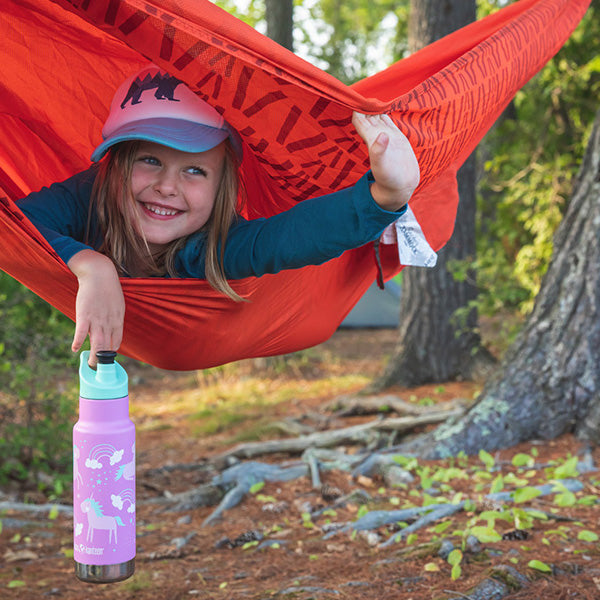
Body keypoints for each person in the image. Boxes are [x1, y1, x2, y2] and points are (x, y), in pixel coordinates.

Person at [18, 65, 420, 366]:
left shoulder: (214, 245)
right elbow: (15, 224)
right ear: (113, 167)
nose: (167, 186)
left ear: (220, 189)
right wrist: (91, 264)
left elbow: (288, 238)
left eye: (195, 170)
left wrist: (383, 197)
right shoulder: (90, 194)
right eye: (150, 160)